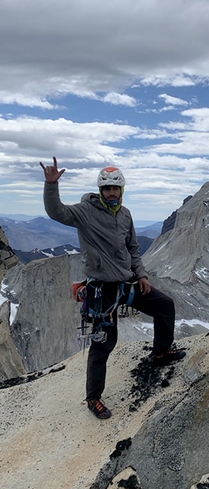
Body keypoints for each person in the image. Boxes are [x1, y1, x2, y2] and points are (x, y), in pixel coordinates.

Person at [40, 157, 185, 419]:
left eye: (115, 188)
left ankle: (161, 351)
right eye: (107, 188)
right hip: (102, 289)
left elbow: (132, 248)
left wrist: (141, 275)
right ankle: (93, 398)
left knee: (164, 305)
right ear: (100, 190)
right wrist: (51, 185)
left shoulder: (125, 214)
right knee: (104, 344)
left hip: (126, 282)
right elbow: (56, 212)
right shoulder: (86, 211)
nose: (111, 192)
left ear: (121, 190)